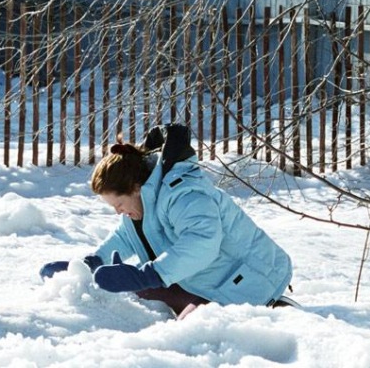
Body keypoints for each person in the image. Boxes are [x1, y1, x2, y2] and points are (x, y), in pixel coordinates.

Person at [40, 124, 295, 319]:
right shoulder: (144, 200)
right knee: (136, 295)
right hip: (204, 282)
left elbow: (202, 243)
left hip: (249, 283)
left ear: (136, 187)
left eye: (118, 204)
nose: (118, 212)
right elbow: (125, 237)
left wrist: (150, 274)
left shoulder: (185, 194)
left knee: (195, 331)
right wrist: (92, 264)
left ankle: (278, 308)